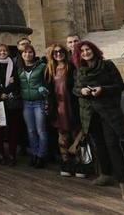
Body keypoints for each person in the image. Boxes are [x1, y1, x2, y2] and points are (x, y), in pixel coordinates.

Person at [72, 41, 124, 203]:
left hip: (108, 112)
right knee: (99, 145)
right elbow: (75, 89)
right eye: (82, 51)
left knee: (113, 146)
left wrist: (103, 89)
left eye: (88, 49)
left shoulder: (107, 65)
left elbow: (120, 85)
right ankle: (105, 174)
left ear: (94, 51)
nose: (86, 53)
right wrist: (82, 91)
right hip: (90, 114)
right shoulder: (80, 70)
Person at [44, 43, 82, 178]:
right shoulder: (50, 69)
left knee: (75, 133)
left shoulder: (72, 67)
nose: (58, 54)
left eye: (61, 51)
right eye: (55, 53)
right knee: (62, 136)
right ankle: (66, 162)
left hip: (71, 105)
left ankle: (79, 163)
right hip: (58, 107)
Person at [0, 43, 21, 166]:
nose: (2, 53)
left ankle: (12, 153)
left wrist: (6, 92)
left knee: (12, 129)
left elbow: (15, 81)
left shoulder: (13, 65)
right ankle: (0, 153)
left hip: (10, 100)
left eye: (4, 51)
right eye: (0, 51)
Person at [17, 44, 49, 168]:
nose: (27, 54)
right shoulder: (19, 68)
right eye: (25, 52)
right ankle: (34, 154)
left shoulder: (42, 66)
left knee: (41, 130)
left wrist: (44, 90)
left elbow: (48, 83)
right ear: (22, 54)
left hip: (39, 102)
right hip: (26, 103)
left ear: (33, 53)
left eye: (30, 52)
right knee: (30, 131)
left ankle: (41, 155)